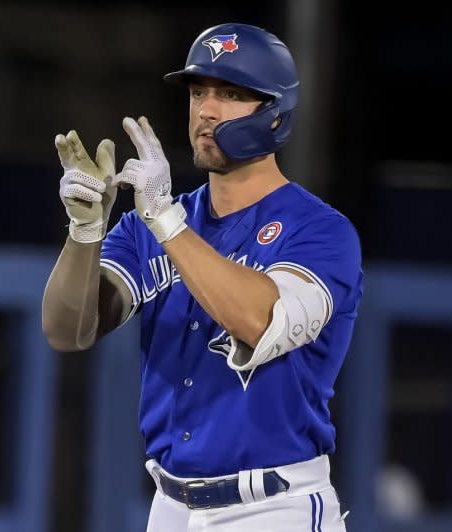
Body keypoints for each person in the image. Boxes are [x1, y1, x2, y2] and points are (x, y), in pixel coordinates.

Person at [42, 22, 363, 532]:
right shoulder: (150, 222)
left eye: (231, 94)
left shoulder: (323, 232)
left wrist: (166, 221)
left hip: (274, 507)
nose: (207, 110)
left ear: (275, 112)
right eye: (199, 92)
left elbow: (262, 319)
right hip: (170, 506)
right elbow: (68, 330)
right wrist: (84, 233)